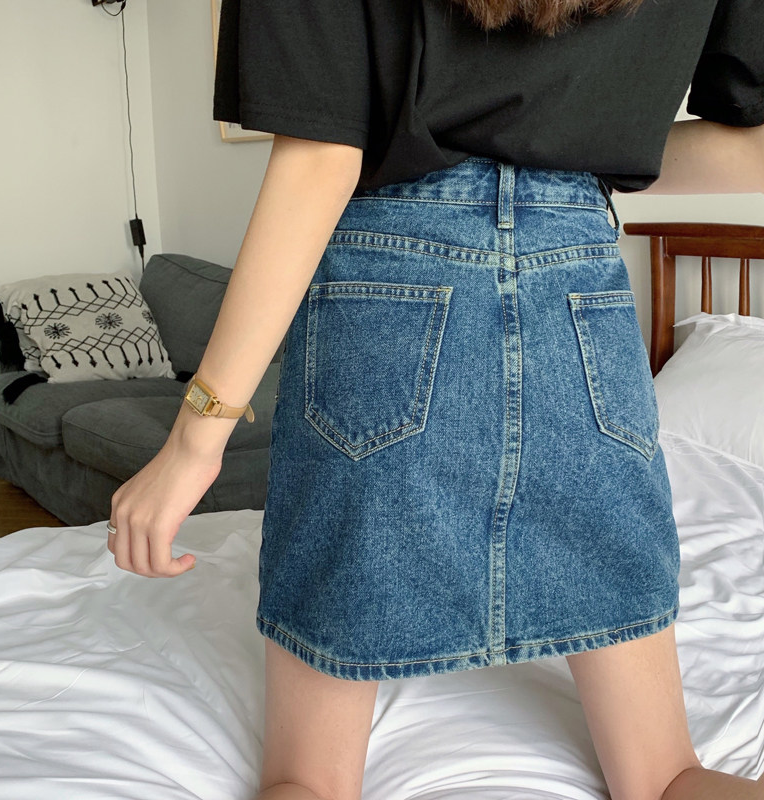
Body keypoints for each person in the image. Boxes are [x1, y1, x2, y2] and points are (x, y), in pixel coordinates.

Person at [106, 0, 764, 798]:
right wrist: (575, 139)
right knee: (666, 777)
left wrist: (194, 440)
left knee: (309, 781)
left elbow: (321, 162)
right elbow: (753, 148)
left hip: (386, 288)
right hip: (579, 281)